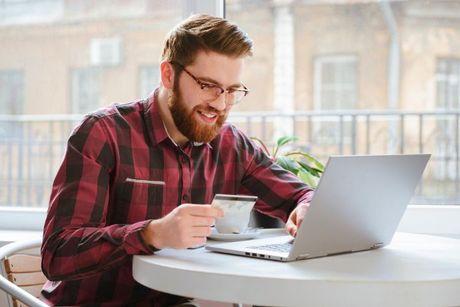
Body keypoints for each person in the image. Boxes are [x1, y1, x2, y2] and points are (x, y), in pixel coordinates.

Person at [40, 14, 313, 306]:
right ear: (168, 75)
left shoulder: (231, 144)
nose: (220, 104)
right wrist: (151, 233)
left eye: (231, 90)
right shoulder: (102, 133)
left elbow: (302, 195)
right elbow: (58, 253)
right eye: (207, 85)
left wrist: (306, 209)